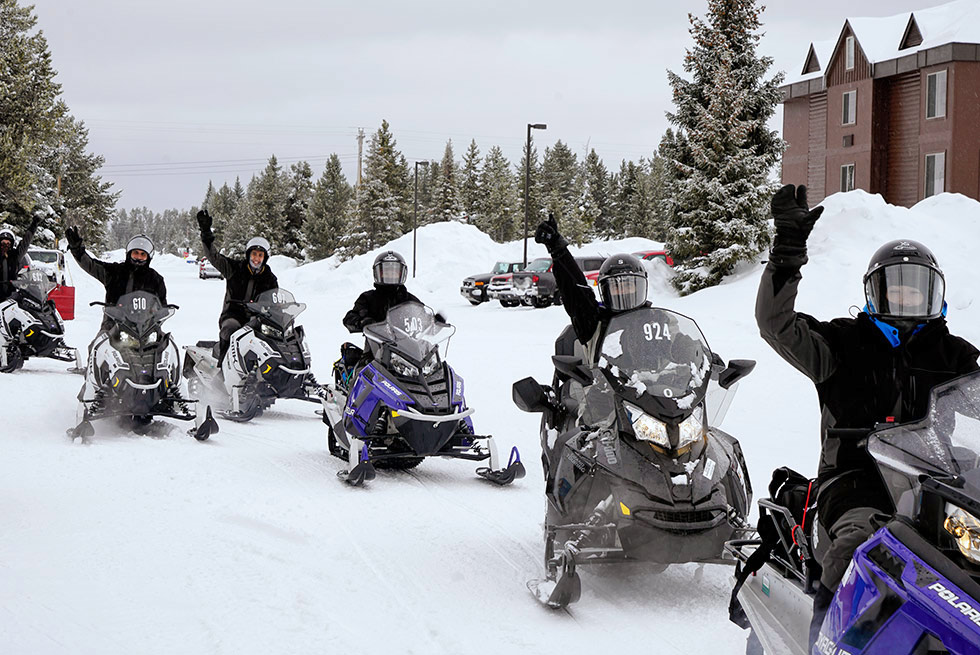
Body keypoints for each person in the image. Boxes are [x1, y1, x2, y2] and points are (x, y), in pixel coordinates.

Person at [755, 183, 980, 646]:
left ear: (935, 294)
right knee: (856, 547)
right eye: (894, 290)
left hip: (934, 486)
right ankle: (825, 641)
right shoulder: (841, 344)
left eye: (914, 290)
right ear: (874, 293)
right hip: (854, 481)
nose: (905, 300)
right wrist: (787, 251)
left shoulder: (954, 356)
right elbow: (775, 325)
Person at [534, 213, 649, 357]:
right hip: (603, 378)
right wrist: (558, 250)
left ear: (640, 286)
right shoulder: (595, 321)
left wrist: (683, 345)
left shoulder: (657, 319)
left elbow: (676, 343)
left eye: (628, 284)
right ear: (605, 290)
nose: (622, 291)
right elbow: (576, 290)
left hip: (654, 378)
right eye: (616, 286)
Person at [196, 210, 278, 365]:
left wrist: (279, 311)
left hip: (258, 318)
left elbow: (275, 299)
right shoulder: (235, 268)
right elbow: (214, 258)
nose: (256, 258)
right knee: (230, 330)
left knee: (275, 339)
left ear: (265, 258)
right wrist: (206, 234)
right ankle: (222, 369)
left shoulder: (270, 278)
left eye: (260, 255)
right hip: (234, 315)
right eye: (254, 254)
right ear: (248, 254)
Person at [66, 228, 167, 329]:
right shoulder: (115, 271)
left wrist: (158, 317)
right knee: (98, 343)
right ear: (129, 253)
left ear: (148, 257)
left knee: (165, 342)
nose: (138, 257)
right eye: (135, 252)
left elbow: (162, 307)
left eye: (142, 254)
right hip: (114, 326)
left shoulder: (156, 279)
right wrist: (77, 250)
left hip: (145, 329)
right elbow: (91, 265)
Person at [342, 251, 421, 334]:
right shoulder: (368, 298)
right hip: (376, 343)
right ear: (378, 273)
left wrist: (434, 320)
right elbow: (349, 319)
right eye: (386, 273)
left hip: (406, 343)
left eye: (394, 273)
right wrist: (362, 322)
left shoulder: (409, 300)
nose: (390, 276)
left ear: (401, 273)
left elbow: (424, 317)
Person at [1, 205, 43, 302]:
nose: (5, 245)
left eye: (8, 243)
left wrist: (33, 226)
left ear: (12, 244)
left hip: (11, 296)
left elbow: (25, 243)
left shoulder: (15, 256)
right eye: (3, 243)